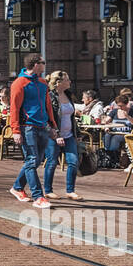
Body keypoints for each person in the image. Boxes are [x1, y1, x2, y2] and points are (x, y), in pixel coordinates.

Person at [9, 55, 58, 207]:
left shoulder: (43, 83)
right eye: (43, 63)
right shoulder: (19, 83)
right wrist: (16, 130)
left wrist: (52, 126)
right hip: (27, 127)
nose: (45, 65)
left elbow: (48, 106)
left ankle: (17, 188)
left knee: (35, 161)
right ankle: (38, 196)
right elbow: (14, 108)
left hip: (42, 126)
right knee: (31, 160)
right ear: (36, 65)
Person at [43, 71, 80, 200]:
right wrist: (55, 134)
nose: (69, 82)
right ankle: (48, 190)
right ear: (58, 83)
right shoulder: (49, 96)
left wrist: (77, 133)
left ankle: (70, 190)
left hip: (69, 135)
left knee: (73, 162)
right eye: (67, 79)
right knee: (52, 162)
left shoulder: (69, 95)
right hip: (53, 136)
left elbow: (72, 117)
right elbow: (46, 118)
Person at [102, 95, 133, 166]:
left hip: (125, 133)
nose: (120, 107)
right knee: (106, 136)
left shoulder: (132, 111)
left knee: (116, 138)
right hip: (114, 131)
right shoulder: (114, 111)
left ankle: (112, 156)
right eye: (118, 105)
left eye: (121, 106)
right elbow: (106, 121)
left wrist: (128, 117)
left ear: (126, 104)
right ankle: (110, 155)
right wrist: (106, 126)